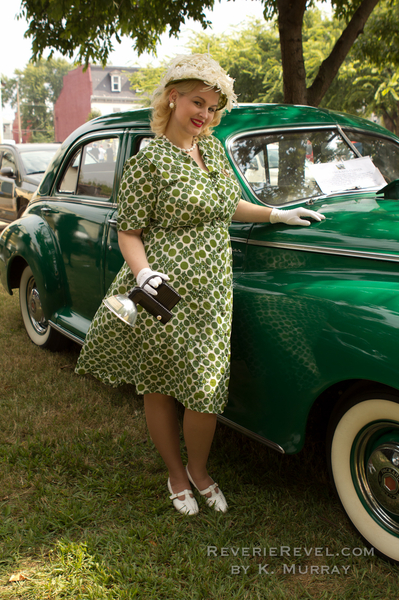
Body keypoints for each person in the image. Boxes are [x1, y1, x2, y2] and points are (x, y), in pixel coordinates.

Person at [75, 54, 325, 516]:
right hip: (163, 288)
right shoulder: (149, 160)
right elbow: (128, 230)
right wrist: (143, 272)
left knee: (206, 388)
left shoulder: (210, 148)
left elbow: (228, 204)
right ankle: (176, 473)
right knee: (161, 385)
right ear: (173, 97)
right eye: (197, 102)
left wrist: (275, 214)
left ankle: (201, 469)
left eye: (212, 107)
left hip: (213, 289)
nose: (204, 115)